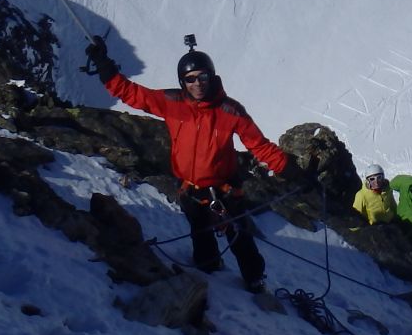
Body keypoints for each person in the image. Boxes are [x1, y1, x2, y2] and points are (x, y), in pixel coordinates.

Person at [86, 35, 289, 293]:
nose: (197, 83)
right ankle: (209, 268)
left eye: (202, 77)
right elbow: (133, 95)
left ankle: (255, 279)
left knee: (239, 236)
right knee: (200, 233)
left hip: (224, 190)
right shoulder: (173, 103)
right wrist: (105, 67)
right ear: (183, 82)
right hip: (190, 189)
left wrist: (290, 170)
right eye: (190, 79)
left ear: (212, 77)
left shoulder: (230, 111)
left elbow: (259, 145)